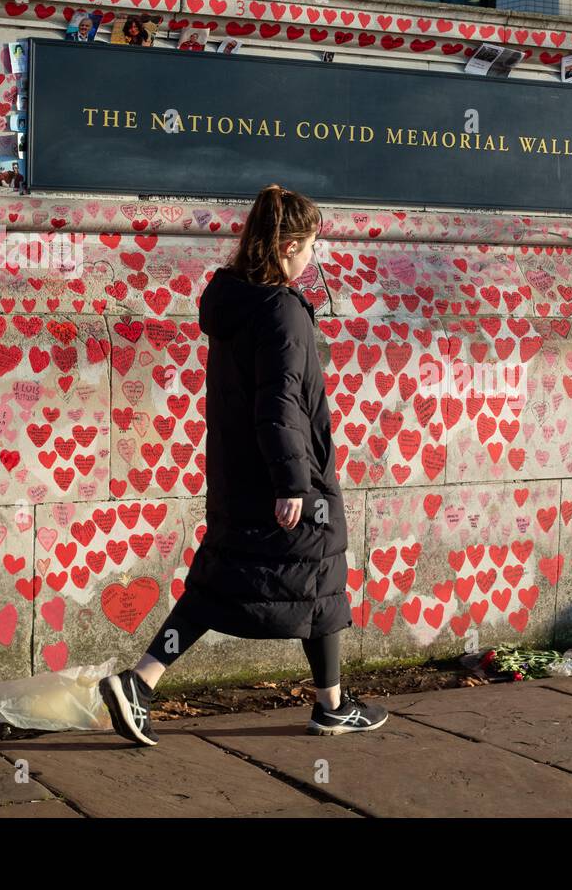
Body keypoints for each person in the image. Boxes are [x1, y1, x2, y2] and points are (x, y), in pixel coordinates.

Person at [100, 183, 388, 745]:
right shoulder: (281, 311)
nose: (312, 259)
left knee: (224, 585)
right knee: (322, 574)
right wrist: (294, 483)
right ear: (285, 247)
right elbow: (280, 401)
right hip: (286, 476)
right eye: (308, 246)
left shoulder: (235, 301)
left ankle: (143, 682)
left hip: (239, 476)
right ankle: (327, 706)